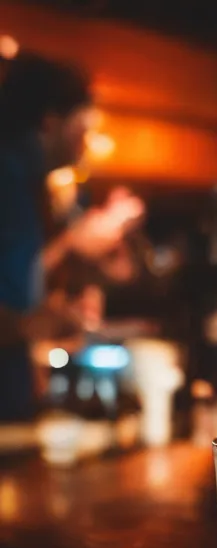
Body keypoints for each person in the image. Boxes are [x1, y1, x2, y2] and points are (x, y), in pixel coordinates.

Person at [0, 53, 143, 421]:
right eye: (82, 125)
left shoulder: (25, 188)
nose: (86, 140)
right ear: (49, 123)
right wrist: (28, 325)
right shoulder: (7, 180)